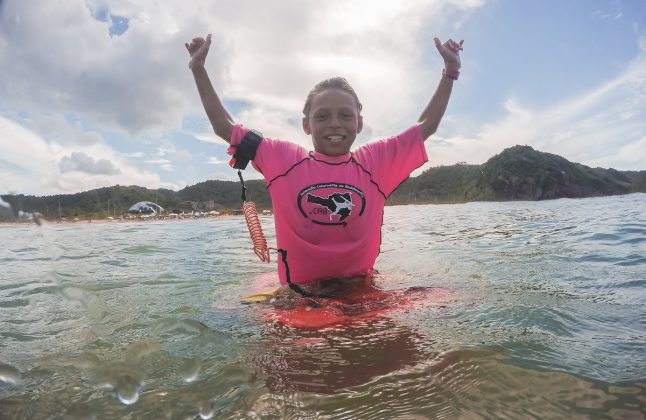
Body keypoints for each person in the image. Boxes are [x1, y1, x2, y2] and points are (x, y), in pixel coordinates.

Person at [186, 33, 463, 296]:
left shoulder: (375, 162)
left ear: (359, 123)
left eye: (345, 115)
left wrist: (450, 71)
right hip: (299, 295)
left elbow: (425, 126)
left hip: (360, 289)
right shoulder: (283, 159)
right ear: (306, 125)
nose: (334, 124)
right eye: (322, 117)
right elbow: (225, 126)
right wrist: (198, 68)